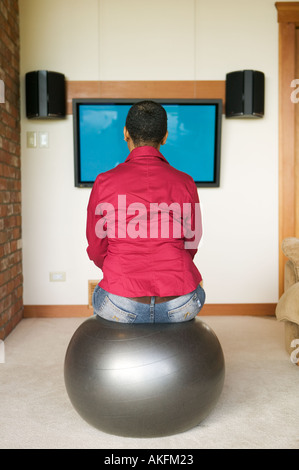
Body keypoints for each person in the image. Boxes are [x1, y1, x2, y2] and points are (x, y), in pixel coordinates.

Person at [86, 100, 205, 323]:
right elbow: (192, 241)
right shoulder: (185, 182)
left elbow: (96, 247)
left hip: (120, 303)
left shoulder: (104, 182)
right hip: (180, 303)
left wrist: (117, 268)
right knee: (194, 291)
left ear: (125, 133)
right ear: (165, 136)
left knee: (99, 295)